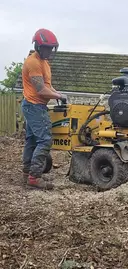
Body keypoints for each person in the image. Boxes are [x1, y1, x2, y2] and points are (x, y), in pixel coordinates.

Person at [21, 28, 67, 190]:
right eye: (47, 47)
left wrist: (57, 93)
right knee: (45, 140)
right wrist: (59, 97)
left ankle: (28, 172)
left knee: (32, 140)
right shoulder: (33, 62)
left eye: (52, 48)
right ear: (38, 46)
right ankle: (34, 177)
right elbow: (41, 90)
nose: (50, 51)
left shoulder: (45, 63)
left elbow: (47, 85)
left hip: (36, 105)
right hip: (34, 105)